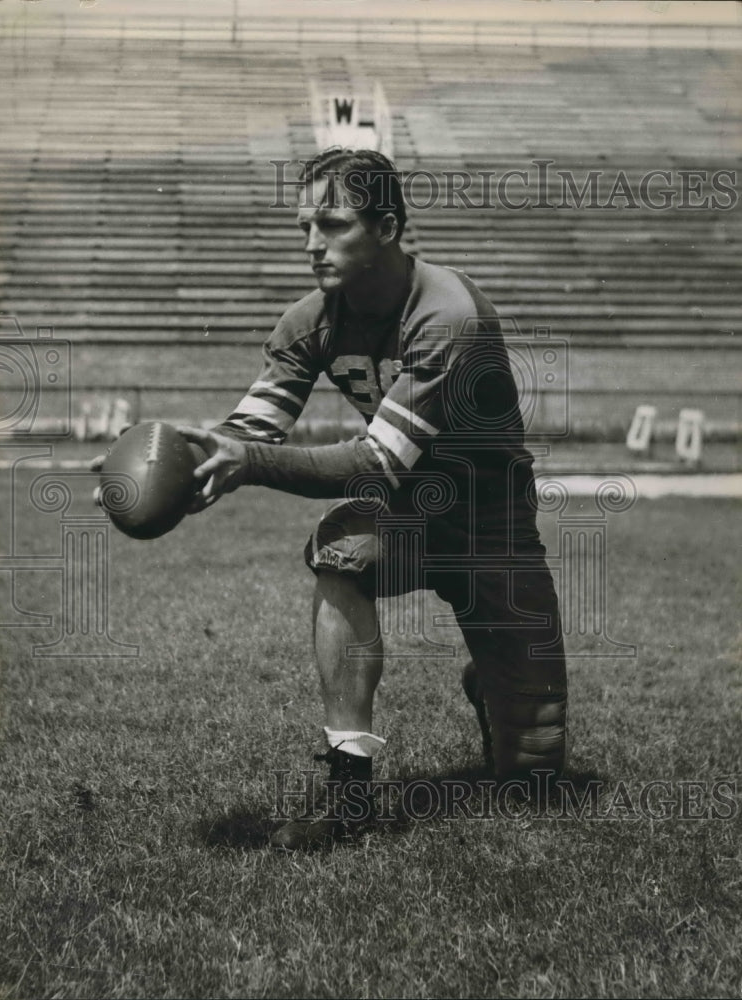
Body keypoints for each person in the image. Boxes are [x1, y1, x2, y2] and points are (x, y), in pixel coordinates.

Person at [176, 147, 568, 851]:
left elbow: (376, 459)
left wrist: (252, 464)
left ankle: (494, 682)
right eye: (303, 227)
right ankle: (349, 788)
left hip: (491, 521)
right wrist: (172, 459)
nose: (310, 245)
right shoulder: (308, 321)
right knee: (340, 550)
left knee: (534, 779)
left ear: (386, 226)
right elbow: (250, 427)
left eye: (330, 224)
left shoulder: (449, 314)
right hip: (408, 514)